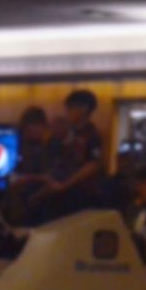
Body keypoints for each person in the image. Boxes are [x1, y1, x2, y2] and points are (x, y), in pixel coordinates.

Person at [31, 89, 104, 219]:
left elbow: (92, 165)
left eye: (71, 108)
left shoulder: (92, 135)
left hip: (80, 195)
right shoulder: (67, 134)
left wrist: (65, 185)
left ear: (84, 109)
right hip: (59, 193)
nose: (67, 112)